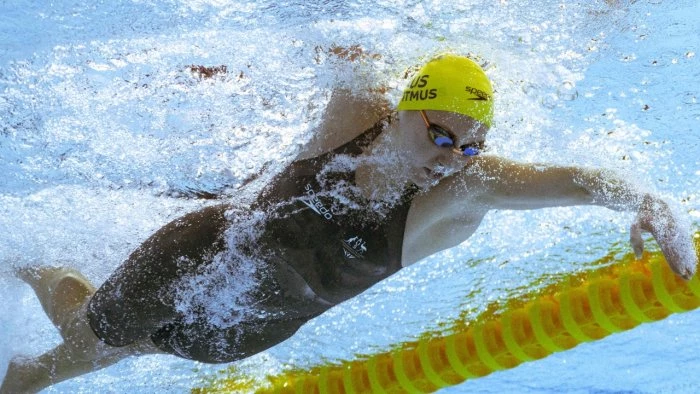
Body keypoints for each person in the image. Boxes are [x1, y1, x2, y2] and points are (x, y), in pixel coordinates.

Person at [1, 54, 696, 393]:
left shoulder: (455, 198)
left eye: (472, 146)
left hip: (238, 331)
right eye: (443, 137)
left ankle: (27, 291)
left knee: (105, 350)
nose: (454, 160)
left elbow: (561, 180)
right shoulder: (354, 114)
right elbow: (337, 35)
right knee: (85, 340)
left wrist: (643, 197)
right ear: (404, 112)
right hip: (195, 256)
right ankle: (26, 283)